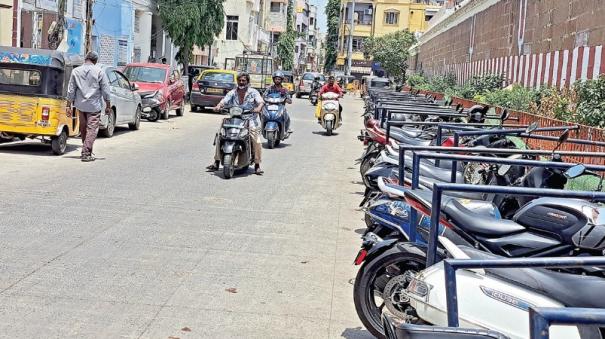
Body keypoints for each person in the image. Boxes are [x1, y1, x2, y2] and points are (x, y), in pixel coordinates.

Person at [207, 72, 265, 175]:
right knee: (220, 135)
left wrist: (258, 108)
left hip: (251, 120)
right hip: (235, 119)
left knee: (256, 140)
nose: (241, 82)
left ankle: (257, 165)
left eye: (244, 81)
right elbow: (224, 100)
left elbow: (260, 102)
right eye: (240, 80)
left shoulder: (253, 92)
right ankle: (216, 162)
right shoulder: (232, 92)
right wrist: (219, 106)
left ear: (247, 82)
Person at [66, 51, 111, 162]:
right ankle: (86, 152)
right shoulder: (99, 72)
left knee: (83, 128)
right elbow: (105, 90)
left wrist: (68, 105)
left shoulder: (76, 71)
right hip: (94, 106)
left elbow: (71, 90)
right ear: (95, 61)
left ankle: (86, 148)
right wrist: (108, 105)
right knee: (92, 129)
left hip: (80, 105)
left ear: (85, 59)